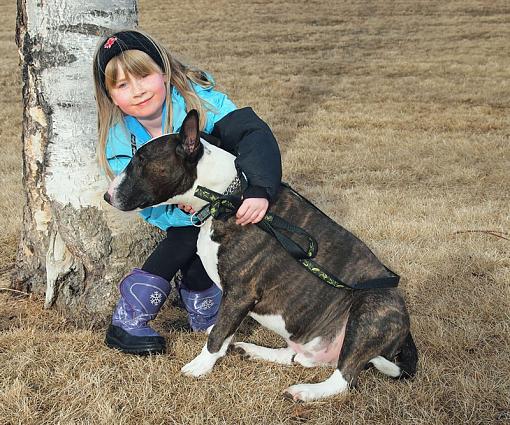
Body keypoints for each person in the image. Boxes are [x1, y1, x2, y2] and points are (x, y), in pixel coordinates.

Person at [92, 30, 281, 355]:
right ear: (110, 96)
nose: (137, 91)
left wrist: (260, 189)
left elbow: (253, 135)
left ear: (163, 72)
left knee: (211, 243)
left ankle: (206, 314)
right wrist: (184, 211)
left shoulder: (200, 104)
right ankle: (128, 318)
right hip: (178, 212)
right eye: (122, 85)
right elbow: (141, 196)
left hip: (228, 197)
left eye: (144, 76)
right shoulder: (121, 139)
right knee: (185, 238)